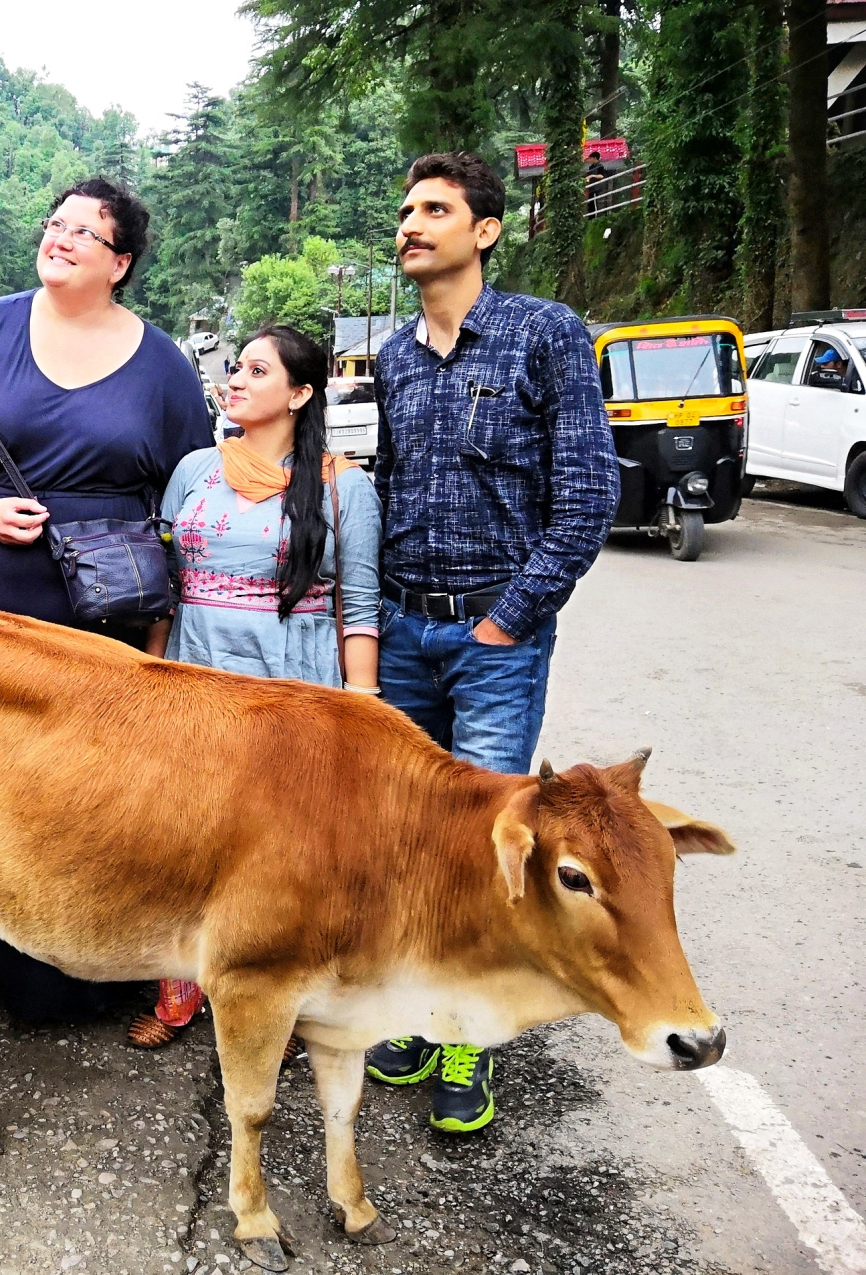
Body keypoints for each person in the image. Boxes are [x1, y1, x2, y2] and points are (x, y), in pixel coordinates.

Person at [0, 176, 214, 1023]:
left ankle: (87, 969)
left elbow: (194, 489)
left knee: (88, 789)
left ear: (120, 262)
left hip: (101, 612)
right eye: (54, 223)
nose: (61, 237)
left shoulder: (163, 365)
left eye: (85, 231)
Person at [365, 152, 618, 1132]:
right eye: (403, 210)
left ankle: (467, 1034)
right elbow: (390, 491)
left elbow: (588, 496)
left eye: (434, 208)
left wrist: (507, 617)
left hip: (491, 637)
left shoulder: (543, 335)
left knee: (485, 844)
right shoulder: (389, 358)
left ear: (484, 231)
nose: (410, 224)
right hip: (400, 627)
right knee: (404, 837)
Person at [126, 325, 383, 1050]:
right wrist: (153, 678)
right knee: (183, 839)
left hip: (289, 695)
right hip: (196, 683)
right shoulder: (194, 471)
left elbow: (357, 607)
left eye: (256, 370)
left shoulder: (344, 486)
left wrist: (361, 712)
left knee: (282, 852)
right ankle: (179, 987)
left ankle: (288, 995)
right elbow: (166, 592)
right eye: (235, 367)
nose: (234, 379)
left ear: (300, 393)